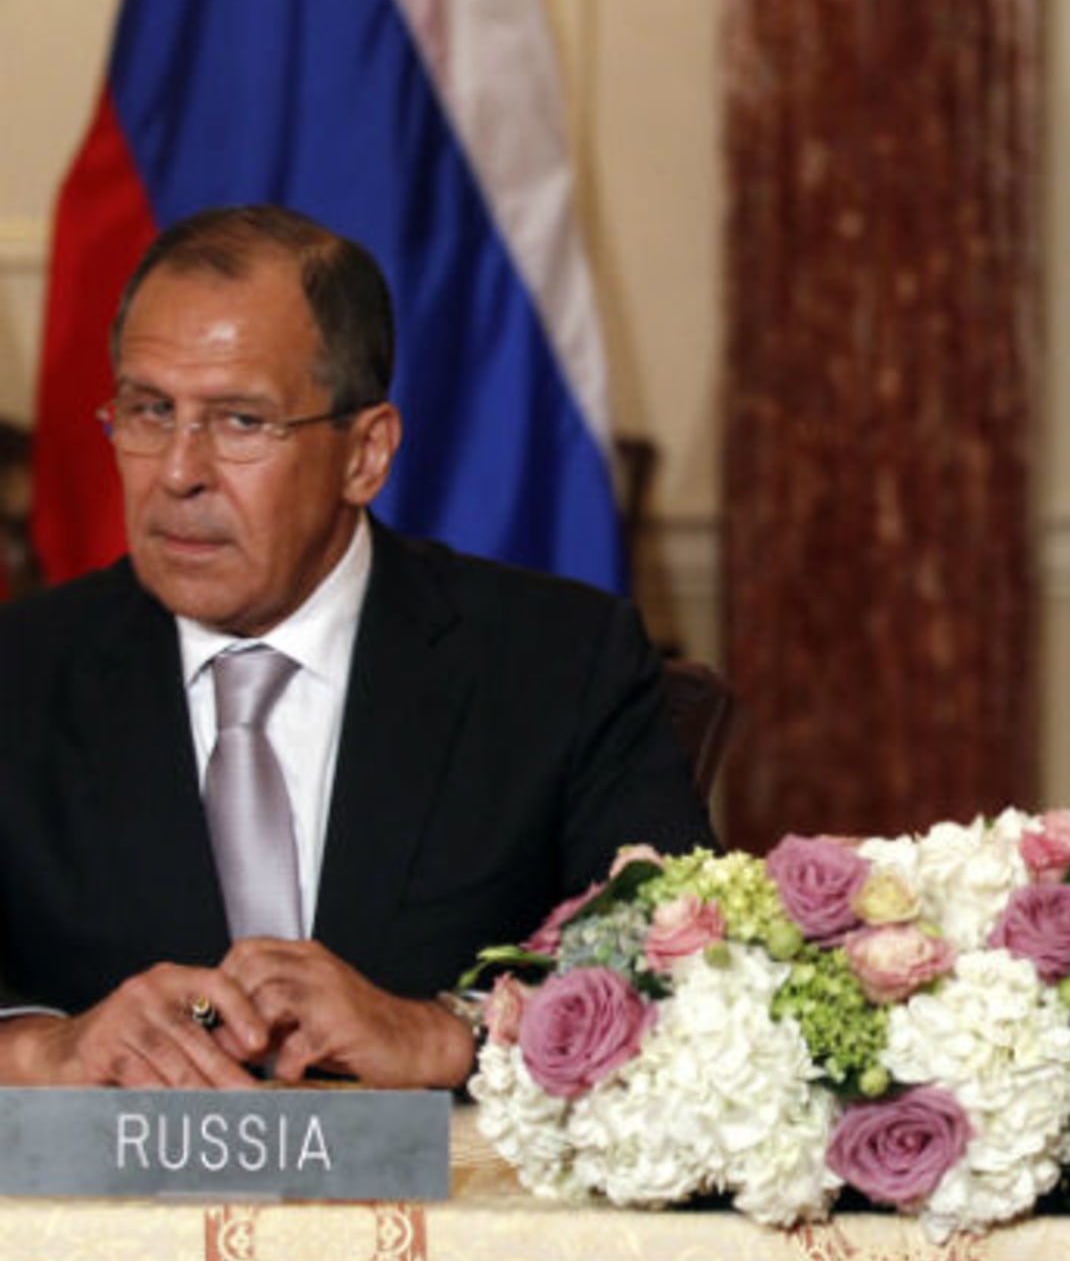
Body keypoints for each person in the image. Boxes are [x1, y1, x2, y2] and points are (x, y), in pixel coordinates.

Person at [0, 205, 713, 1090]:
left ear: (365, 454)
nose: (178, 471)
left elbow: (689, 990)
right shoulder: (19, 677)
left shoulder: (556, 664)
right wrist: (39, 1050)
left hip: (452, 1222)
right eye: (149, 411)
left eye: (240, 422)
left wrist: (443, 1038)